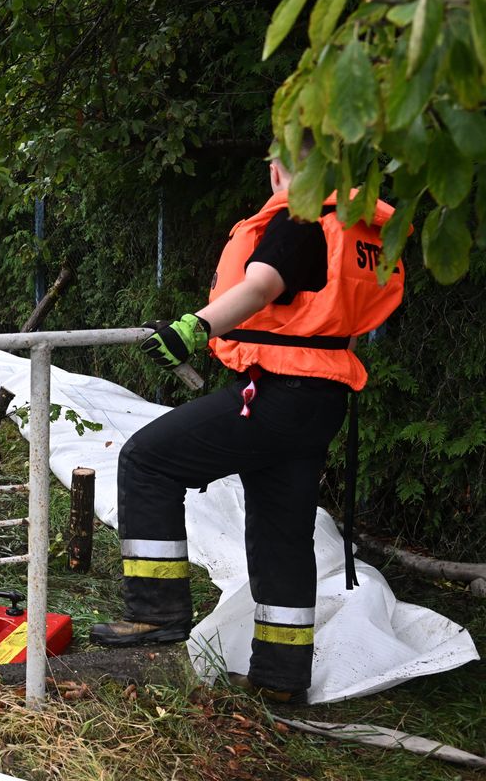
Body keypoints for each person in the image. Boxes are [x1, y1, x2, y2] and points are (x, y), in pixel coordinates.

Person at [89, 139, 405, 705]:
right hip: (322, 399)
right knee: (282, 533)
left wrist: (193, 328)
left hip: (280, 392)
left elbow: (260, 286)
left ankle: (155, 614)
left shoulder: (302, 221)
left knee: (146, 460)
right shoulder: (359, 232)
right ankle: (281, 679)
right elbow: (341, 324)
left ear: (282, 167)